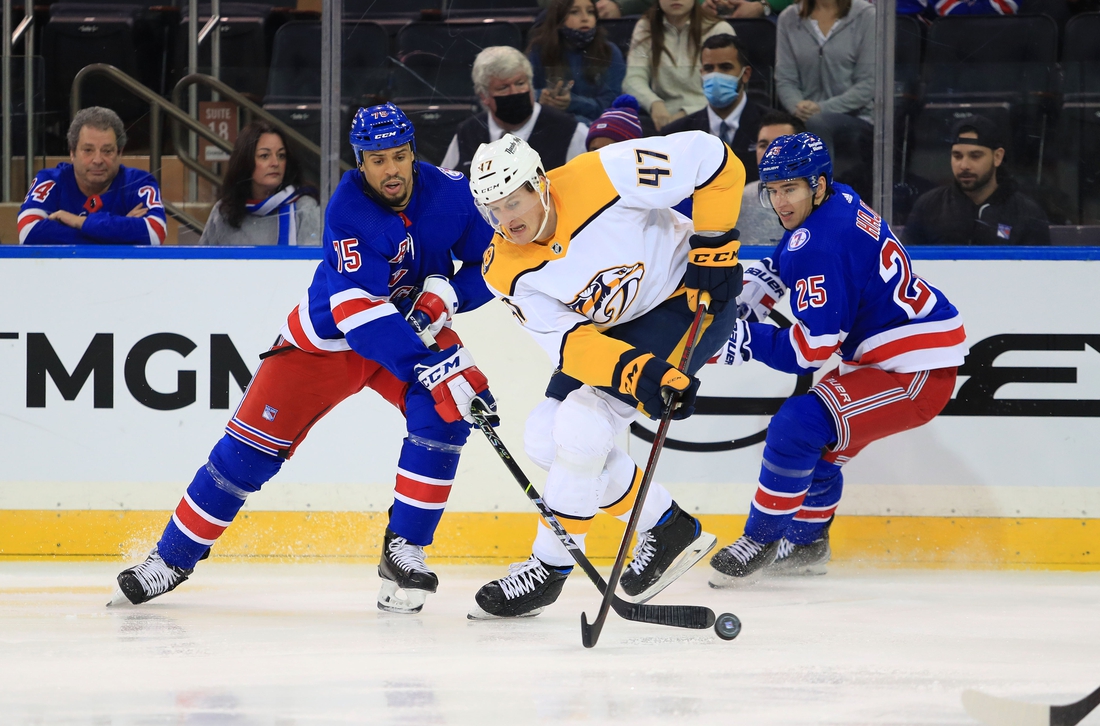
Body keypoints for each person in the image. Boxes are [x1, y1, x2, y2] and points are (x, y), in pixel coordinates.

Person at [109, 104, 498, 615]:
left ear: (412, 153)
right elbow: (360, 314)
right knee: (245, 456)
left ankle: (403, 549)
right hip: (328, 344)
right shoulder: (348, 211)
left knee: (450, 414)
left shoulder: (450, 192)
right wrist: (428, 365)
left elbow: (493, 258)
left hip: (408, 335)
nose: (391, 170)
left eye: (399, 157)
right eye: (377, 160)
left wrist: (447, 295)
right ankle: (170, 560)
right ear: (360, 161)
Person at [466, 130, 746, 618]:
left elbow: (715, 158)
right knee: (542, 438)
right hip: (613, 331)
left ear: (539, 183)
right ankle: (666, 522)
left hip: (687, 300)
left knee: (582, 426)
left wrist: (714, 243)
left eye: (514, 201)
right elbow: (571, 345)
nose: (507, 220)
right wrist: (639, 373)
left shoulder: (606, 173)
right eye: (494, 210)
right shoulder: (502, 269)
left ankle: (547, 570)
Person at [706, 133, 968, 584]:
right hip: (892, 357)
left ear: (818, 184)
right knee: (822, 446)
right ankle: (807, 543)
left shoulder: (823, 245)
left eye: (790, 189)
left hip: (914, 371)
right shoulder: (840, 198)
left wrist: (745, 339)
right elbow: (799, 246)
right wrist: (768, 279)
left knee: (799, 423)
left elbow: (810, 352)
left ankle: (761, 539)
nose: (780, 201)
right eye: (771, 189)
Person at [19, 107, 166, 245]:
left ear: (119, 152)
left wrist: (79, 221)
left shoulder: (138, 183)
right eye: (88, 150)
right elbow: (28, 231)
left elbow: (155, 232)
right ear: (72, 152)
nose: (97, 160)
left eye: (107, 151)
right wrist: (118, 231)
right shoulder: (50, 181)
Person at [774, 0, 875, 198]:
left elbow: (868, 84)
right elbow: (785, 79)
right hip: (801, 115)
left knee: (818, 123)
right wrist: (798, 107)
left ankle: (824, 199)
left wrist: (820, 108)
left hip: (857, 117)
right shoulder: (789, 18)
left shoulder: (866, 15)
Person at [441, 46, 589, 177]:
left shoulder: (569, 130)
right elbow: (447, 186)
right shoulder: (468, 132)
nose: (515, 92)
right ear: (484, 96)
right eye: (503, 88)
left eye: (520, 83)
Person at [903, 116, 1050, 246]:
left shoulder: (1028, 214)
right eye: (957, 156)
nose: (964, 165)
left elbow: (1039, 273)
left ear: (997, 157)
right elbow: (906, 268)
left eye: (975, 156)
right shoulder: (928, 207)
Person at [659, 33, 767, 184]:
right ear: (701, 73)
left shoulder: (771, 127)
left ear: (746, 74)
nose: (716, 75)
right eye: (709, 68)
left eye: (725, 67)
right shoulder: (675, 134)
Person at [199, 121, 320, 246]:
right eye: (264, 156)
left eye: (281, 155)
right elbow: (202, 262)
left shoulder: (304, 208)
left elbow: (315, 262)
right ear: (245, 162)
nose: (275, 163)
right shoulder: (224, 212)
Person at [622, 0, 735, 132]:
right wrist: (654, 103)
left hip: (707, 116)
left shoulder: (719, 28)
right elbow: (633, 79)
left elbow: (726, 88)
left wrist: (687, 114)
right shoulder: (646, 26)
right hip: (661, 118)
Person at [528, 0, 627, 125]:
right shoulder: (539, 49)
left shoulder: (609, 51)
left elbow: (611, 104)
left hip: (597, 127)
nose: (585, 18)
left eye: (590, 12)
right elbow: (527, 91)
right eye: (574, 12)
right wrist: (541, 98)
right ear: (559, 18)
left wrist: (573, 102)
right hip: (550, 124)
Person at [738, 110, 805, 245]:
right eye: (763, 145)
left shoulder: (820, 195)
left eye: (779, 145)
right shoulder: (741, 197)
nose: (769, 153)